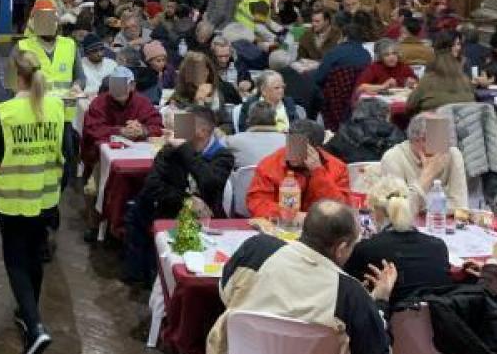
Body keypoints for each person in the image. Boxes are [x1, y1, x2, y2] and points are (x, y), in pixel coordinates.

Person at [208, 201, 395, 354]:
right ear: (342, 248)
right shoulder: (350, 295)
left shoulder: (256, 252)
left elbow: (225, 292)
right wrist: (379, 303)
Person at [0, 53, 66, 354]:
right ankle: (28, 312)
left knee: (15, 261)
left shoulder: (5, 112)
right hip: (45, 195)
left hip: (13, 199)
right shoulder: (55, 106)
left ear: (15, 77)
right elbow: (64, 151)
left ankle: (35, 326)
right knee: (35, 256)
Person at [124, 105, 233, 283]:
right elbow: (152, 185)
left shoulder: (222, 156)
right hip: (170, 211)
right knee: (137, 211)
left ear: (202, 131)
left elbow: (210, 183)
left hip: (206, 221)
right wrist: (186, 199)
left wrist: (185, 150)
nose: (176, 131)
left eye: (183, 125)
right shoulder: (169, 151)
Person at [345, 176, 451, 306]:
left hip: (391, 321)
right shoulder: (438, 247)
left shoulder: (365, 250)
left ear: (377, 212)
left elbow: (349, 295)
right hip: (441, 320)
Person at [246, 120, 351, 220]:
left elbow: (341, 209)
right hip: (280, 226)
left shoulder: (338, 168)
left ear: (316, 149)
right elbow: (257, 203)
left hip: (321, 229)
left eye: (299, 147)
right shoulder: (270, 165)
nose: (292, 152)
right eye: (291, 145)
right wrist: (292, 216)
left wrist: (318, 172)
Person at [79, 67, 164, 171]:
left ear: (132, 86)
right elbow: (92, 130)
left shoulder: (142, 102)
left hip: (138, 154)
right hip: (102, 158)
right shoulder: (99, 103)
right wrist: (120, 131)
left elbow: (157, 126)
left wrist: (143, 130)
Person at [380, 112, 467, 212]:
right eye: (440, 140)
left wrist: (423, 206)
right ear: (420, 140)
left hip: (444, 224)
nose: (445, 146)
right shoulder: (393, 158)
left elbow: (460, 207)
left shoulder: (453, 154)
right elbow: (399, 213)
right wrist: (427, 175)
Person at [15, 8, 80, 117]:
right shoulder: (23, 47)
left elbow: (80, 77)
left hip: (64, 112)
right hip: (34, 112)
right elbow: (14, 85)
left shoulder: (70, 44)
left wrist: (77, 86)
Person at [326, 97, 406, 164]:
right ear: (385, 115)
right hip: (385, 177)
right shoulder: (394, 131)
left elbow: (325, 156)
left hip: (348, 176)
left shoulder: (344, 131)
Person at [405, 50, 475, 115]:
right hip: (462, 125)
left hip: (432, 125)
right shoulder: (466, 80)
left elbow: (409, 106)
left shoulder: (427, 80)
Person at [236, 70, 302, 133]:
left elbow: (297, 128)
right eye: (277, 88)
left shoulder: (288, 102)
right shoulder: (250, 104)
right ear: (263, 90)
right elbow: (243, 130)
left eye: (283, 87)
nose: (281, 91)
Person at [268, 49, 322, 121]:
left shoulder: (270, 85)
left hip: (278, 124)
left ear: (270, 66)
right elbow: (319, 103)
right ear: (290, 63)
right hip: (307, 124)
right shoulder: (308, 80)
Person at [313, 22, 373, 87]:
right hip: (356, 93)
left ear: (345, 37)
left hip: (332, 92)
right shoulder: (367, 55)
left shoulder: (334, 53)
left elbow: (318, 78)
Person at [136, 40, 175, 105]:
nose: (162, 63)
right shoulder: (146, 77)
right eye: (158, 61)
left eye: (163, 60)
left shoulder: (167, 71)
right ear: (149, 62)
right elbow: (151, 99)